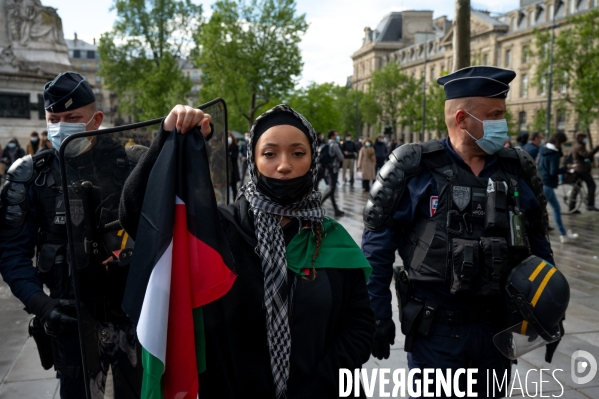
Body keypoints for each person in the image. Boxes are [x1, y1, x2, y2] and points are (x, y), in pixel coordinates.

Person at [120, 103, 375, 398]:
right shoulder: (218, 232)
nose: (284, 165)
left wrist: (317, 386)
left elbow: (359, 325)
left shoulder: (331, 238)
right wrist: (169, 139)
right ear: (252, 160)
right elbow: (139, 217)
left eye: (297, 153)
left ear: (312, 159)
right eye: (269, 153)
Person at [362, 66, 556, 397]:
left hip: (497, 333)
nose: (503, 124)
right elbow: (375, 250)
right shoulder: (414, 170)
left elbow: (539, 244)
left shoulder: (517, 169)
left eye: (503, 115)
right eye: (494, 115)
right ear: (463, 119)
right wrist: (376, 315)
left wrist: (551, 307)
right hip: (435, 333)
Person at [0, 72, 143, 399]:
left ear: (96, 119)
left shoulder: (132, 165)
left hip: (131, 314)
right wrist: (42, 304)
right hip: (68, 319)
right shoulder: (30, 176)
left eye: (72, 118)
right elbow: (11, 252)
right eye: (54, 119)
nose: (61, 126)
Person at [538, 132, 579, 243]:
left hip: (542, 182)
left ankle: (563, 234)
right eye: (563, 143)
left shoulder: (543, 149)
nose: (563, 145)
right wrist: (566, 168)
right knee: (539, 212)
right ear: (559, 142)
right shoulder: (554, 154)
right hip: (548, 185)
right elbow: (553, 172)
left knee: (556, 208)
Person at [571, 131, 599, 211]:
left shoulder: (579, 145)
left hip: (579, 169)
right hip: (582, 170)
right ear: (579, 138)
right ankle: (590, 205)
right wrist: (597, 147)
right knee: (592, 185)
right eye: (584, 137)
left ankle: (572, 207)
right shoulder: (579, 146)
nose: (585, 139)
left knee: (576, 188)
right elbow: (587, 155)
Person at [321, 129, 345, 216]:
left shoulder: (327, 144)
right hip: (334, 169)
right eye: (336, 135)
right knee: (331, 189)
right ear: (332, 136)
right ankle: (319, 204)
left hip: (328, 168)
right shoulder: (334, 145)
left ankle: (336, 210)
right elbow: (341, 157)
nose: (337, 137)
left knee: (332, 189)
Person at [227, 131, 241, 200]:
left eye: (229, 136)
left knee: (234, 188)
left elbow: (234, 157)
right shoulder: (223, 148)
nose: (228, 138)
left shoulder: (235, 147)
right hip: (226, 171)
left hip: (233, 170)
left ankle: (235, 200)